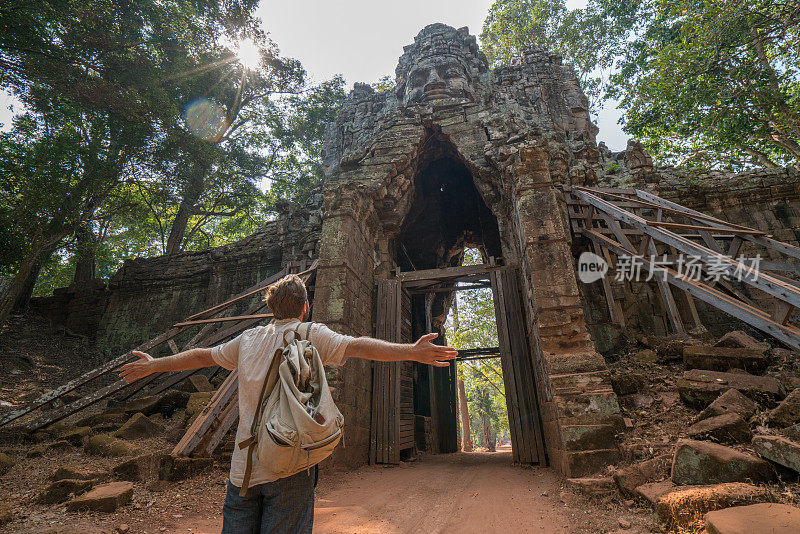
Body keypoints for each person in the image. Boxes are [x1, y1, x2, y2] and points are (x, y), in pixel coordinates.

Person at [119, 274, 457, 534]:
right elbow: (359, 346)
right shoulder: (311, 334)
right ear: (305, 307)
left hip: (243, 471)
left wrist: (154, 364)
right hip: (291, 462)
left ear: (270, 308)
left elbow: (200, 356)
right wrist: (411, 351)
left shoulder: (247, 340)